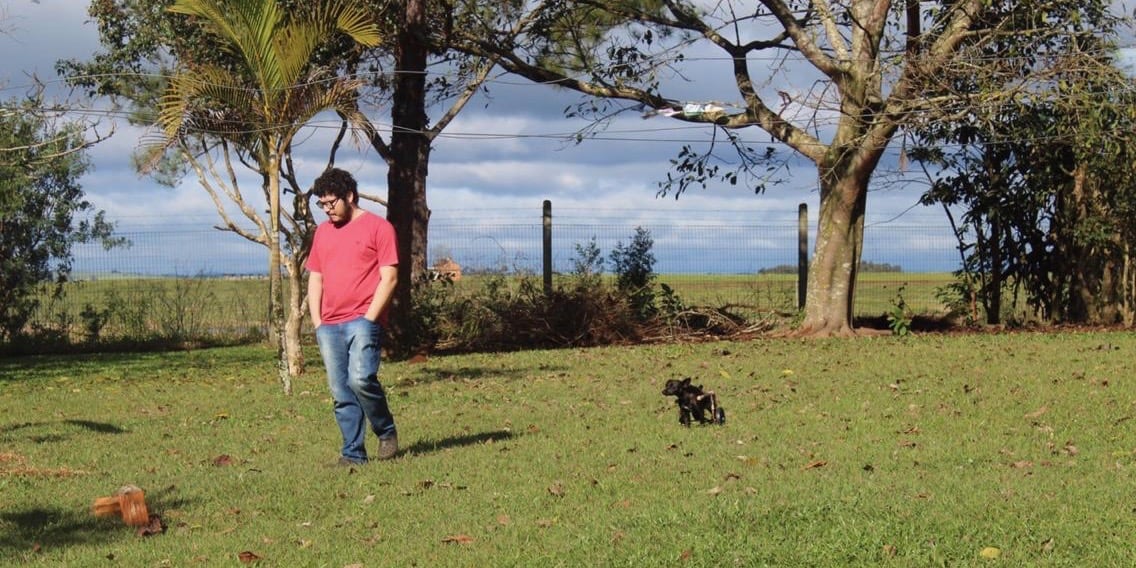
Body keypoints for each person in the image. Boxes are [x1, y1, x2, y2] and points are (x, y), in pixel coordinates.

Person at [306, 168, 399, 465]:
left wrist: (370, 318)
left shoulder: (379, 228)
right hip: (329, 325)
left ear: (350, 196)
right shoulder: (322, 232)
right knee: (340, 391)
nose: (327, 210)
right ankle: (353, 454)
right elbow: (315, 277)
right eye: (322, 204)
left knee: (360, 379)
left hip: (363, 319)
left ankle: (385, 430)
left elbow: (390, 278)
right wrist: (317, 322)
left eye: (331, 203)